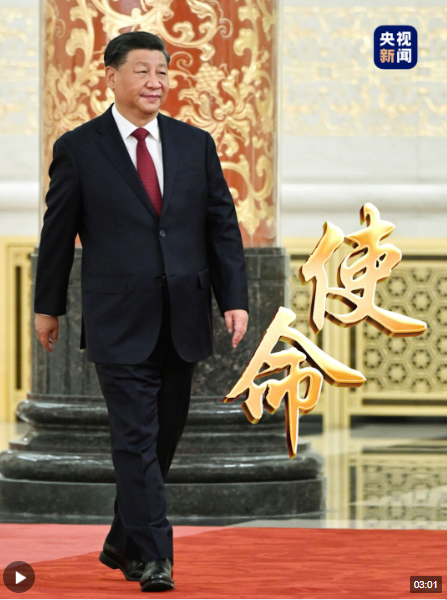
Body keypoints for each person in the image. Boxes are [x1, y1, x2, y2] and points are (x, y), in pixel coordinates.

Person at [34, 31, 249, 593]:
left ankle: (120, 540)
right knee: (133, 439)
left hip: (183, 314)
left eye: (163, 72)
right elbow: (57, 234)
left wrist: (233, 298)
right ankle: (155, 555)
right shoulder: (79, 148)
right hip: (118, 318)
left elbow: (221, 226)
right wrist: (47, 307)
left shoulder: (194, 144)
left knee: (160, 441)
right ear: (111, 77)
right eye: (142, 71)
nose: (156, 82)